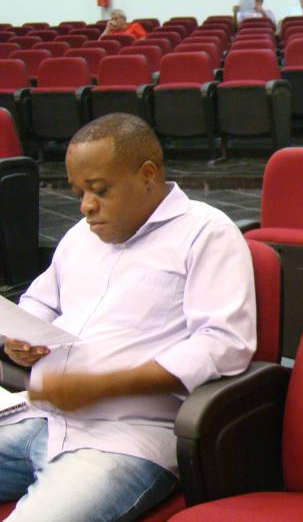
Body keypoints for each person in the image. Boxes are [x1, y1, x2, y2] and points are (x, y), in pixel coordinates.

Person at [0, 114, 257, 521]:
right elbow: (40, 302)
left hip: (126, 435)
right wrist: (21, 340)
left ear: (147, 175)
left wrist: (104, 385)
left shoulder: (206, 233)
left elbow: (223, 344)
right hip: (43, 417)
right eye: (78, 192)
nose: (86, 206)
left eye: (99, 190)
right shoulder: (81, 235)